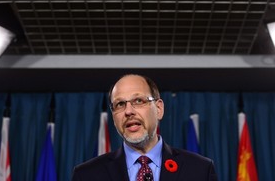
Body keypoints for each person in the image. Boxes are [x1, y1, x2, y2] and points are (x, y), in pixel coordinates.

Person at [72, 74, 218, 181]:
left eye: (138, 101)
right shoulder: (86, 175)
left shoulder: (200, 170)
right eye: (120, 104)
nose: (128, 111)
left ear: (159, 109)